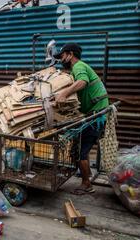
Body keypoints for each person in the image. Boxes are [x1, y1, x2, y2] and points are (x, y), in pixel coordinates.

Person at [54, 43, 109, 195]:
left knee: (81, 153)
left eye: (63, 56)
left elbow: (82, 82)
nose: (61, 59)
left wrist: (63, 94)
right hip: (91, 115)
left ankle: (87, 184)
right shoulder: (77, 68)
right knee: (76, 149)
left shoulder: (78, 66)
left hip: (95, 117)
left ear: (70, 54)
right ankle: (86, 175)